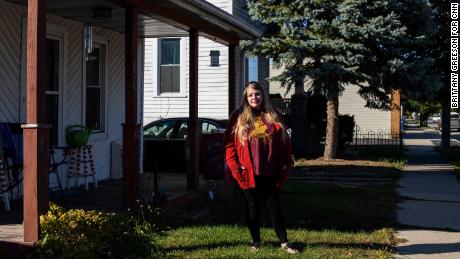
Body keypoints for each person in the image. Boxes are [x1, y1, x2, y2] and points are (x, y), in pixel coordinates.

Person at [224, 81, 298, 254]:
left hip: (271, 171)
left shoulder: (274, 115)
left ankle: (284, 243)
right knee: (252, 206)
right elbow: (228, 147)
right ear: (246, 98)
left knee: (274, 205)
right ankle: (255, 242)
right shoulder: (238, 116)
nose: (254, 97)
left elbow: (286, 143)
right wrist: (235, 168)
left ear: (263, 95)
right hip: (248, 171)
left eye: (257, 94)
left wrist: (287, 164)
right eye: (250, 95)